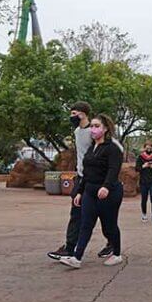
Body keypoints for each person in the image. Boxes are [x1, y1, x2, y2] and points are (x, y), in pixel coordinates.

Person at [47, 102, 113, 260]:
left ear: (83, 114)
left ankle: (112, 243)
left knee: (103, 214)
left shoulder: (93, 132)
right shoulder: (77, 131)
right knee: (76, 212)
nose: (72, 117)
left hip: (97, 179)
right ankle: (70, 247)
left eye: (74, 114)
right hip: (82, 177)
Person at [59, 114, 124, 269]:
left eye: (97, 126)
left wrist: (106, 186)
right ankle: (77, 257)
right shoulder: (91, 148)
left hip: (108, 193)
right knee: (86, 224)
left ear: (105, 128)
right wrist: (80, 191)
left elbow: (113, 170)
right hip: (90, 191)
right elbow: (86, 172)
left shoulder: (112, 148)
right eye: (92, 126)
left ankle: (117, 254)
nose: (93, 129)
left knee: (109, 226)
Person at [136, 140, 152, 225]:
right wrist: (144, 166)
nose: (148, 149)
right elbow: (137, 168)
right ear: (144, 148)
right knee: (144, 199)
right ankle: (144, 214)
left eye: (150, 148)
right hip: (143, 181)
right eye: (147, 148)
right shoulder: (140, 157)